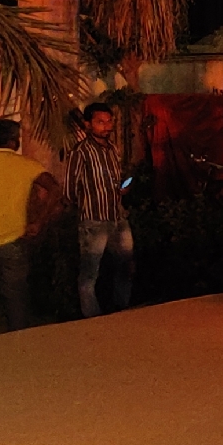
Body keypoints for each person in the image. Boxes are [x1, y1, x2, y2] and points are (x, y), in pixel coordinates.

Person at [66, 103, 133, 318]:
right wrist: (86, 205)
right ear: (88, 124)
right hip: (94, 219)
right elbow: (70, 189)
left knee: (125, 264)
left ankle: (121, 308)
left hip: (117, 216)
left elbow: (116, 178)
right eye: (100, 122)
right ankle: (92, 317)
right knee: (89, 273)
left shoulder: (112, 149)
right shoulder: (81, 152)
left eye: (109, 121)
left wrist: (121, 188)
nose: (107, 126)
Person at [0, 119, 62, 331]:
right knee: (16, 299)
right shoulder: (26, 165)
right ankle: (20, 342)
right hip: (13, 241)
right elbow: (54, 189)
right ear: (12, 141)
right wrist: (38, 222)